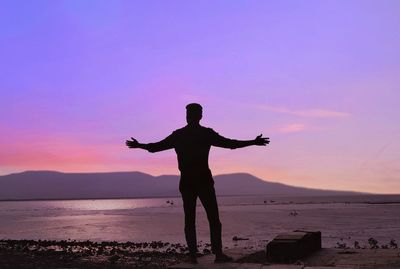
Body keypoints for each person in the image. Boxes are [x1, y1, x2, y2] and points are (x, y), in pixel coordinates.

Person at [125, 103, 269, 263]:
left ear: (189, 116)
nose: (190, 116)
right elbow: (230, 144)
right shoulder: (202, 134)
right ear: (200, 116)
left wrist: (139, 145)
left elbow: (155, 148)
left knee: (192, 219)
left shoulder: (181, 135)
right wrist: (253, 142)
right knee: (212, 219)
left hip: (190, 182)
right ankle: (215, 254)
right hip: (201, 181)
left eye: (189, 113)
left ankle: (194, 255)